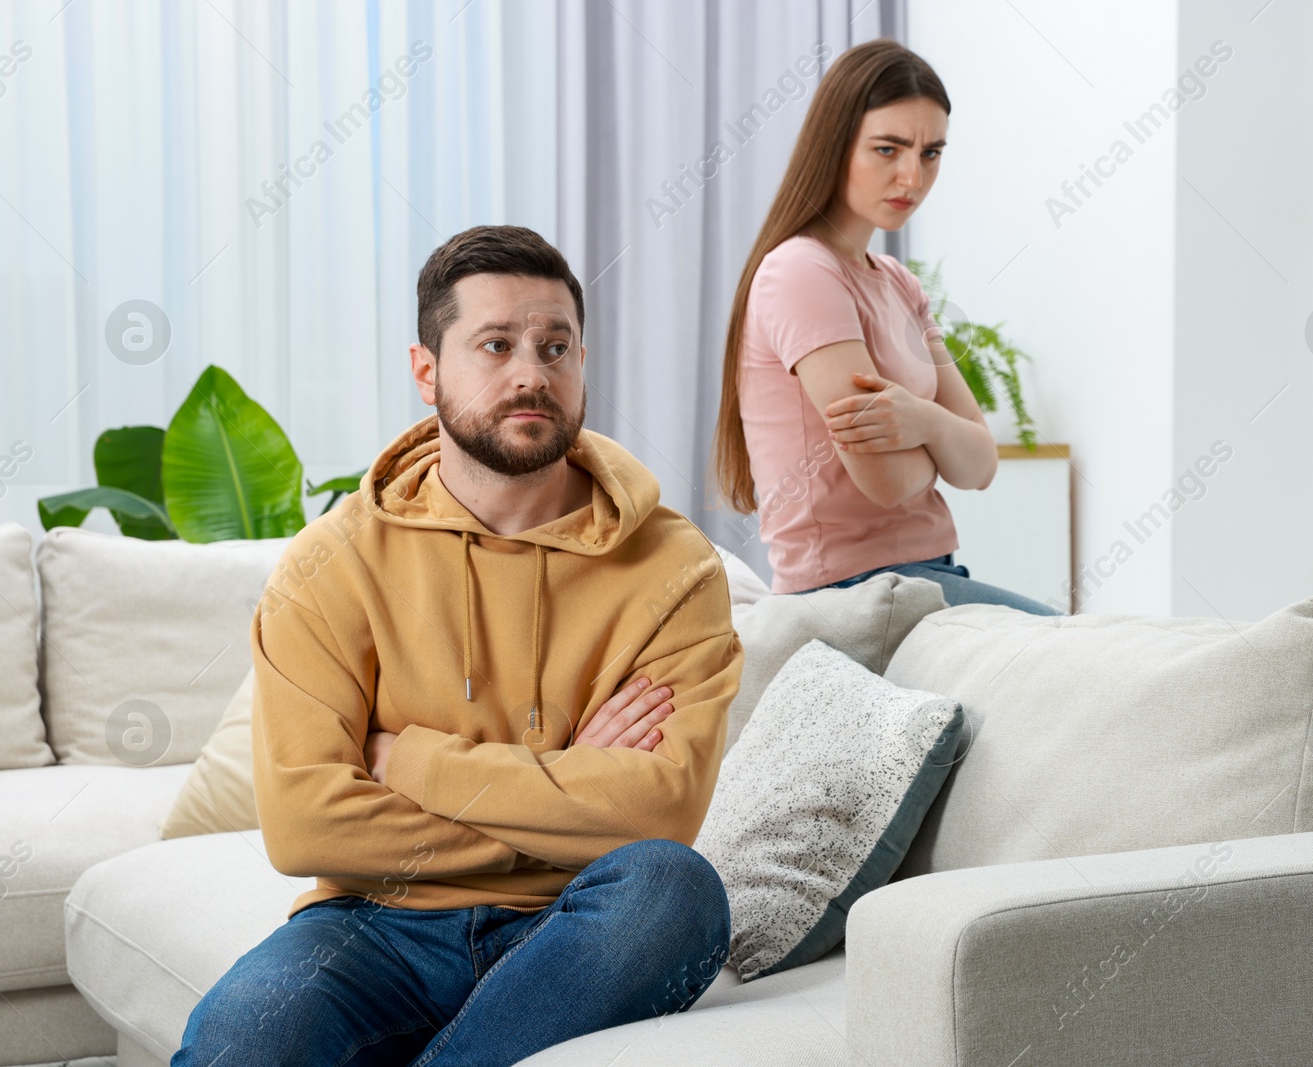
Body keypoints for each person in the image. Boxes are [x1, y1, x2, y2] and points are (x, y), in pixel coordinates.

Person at [172, 226, 742, 1067]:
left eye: (556, 347)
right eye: (496, 344)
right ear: (427, 368)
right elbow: (301, 825)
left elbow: (660, 812)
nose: (531, 373)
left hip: (575, 916)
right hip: (375, 920)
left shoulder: (674, 566)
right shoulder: (332, 562)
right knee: (243, 1037)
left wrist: (409, 762)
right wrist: (567, 795)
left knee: (673, 888)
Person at [711, 39, 1060, 615]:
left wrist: (919, 418)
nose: (912, 176)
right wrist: (946, 441)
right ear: (836, 144)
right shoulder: (801, 271)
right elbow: (887, 481)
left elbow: (980, 466)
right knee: (1068, 645)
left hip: (928, 574)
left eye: (930, 153)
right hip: (852, 591)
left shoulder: (898, 283)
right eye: (888, 148)